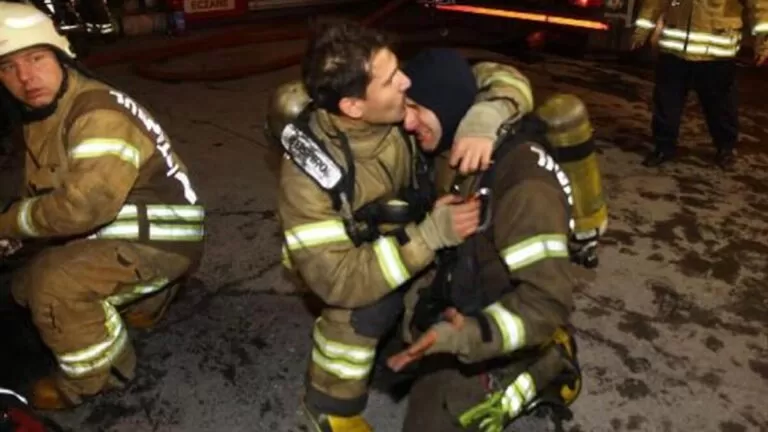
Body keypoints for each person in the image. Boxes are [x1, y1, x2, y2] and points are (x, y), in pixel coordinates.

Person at [271, 22, 481, 431]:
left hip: (405, 236)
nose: (406, 81)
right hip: (344, 268)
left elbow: (494, 76)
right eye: (390, 80)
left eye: (398, 68)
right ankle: (328, 405)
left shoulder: (392, 109)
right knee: (364, 307)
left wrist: (484, 122)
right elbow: (338, 279)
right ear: (354, 106)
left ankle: (408, 332)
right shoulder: (308, 176)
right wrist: (429, 236)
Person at [0, 2, 205, 409]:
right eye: (7, 66)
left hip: (162, 239)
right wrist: (15, 239)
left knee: (50, 286)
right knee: (22, 285)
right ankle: (150, 299)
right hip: (134, 229)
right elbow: (45, 193)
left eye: (36, 58)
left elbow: (82, 209)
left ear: (60, 56)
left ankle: (98, 378)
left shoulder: (97, 114)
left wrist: (7, 225)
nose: (25, 77)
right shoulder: (46, 112)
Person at [388, 48, 585, 432]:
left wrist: (468, 336)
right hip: (466, 289)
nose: (407, 121)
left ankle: (546, 363)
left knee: (434, 420)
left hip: (505, 320)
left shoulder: (524, 188)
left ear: (445, 104)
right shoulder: (450, 143)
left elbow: (546, 301)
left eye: (416, 108)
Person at [632, 0, 768, 169]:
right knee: (666, 104)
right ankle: (663, 147)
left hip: (716, 55)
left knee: (721, 107)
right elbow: (654, 2)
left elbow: (759, 6)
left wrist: (764, 42)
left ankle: (725, 149)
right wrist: (642, 30)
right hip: (674, 51)